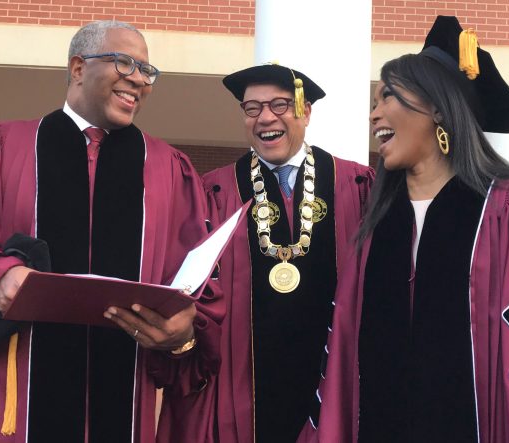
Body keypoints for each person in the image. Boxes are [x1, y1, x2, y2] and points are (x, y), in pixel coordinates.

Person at [304, 16, 509, 443]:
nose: (374, 113)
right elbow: (345, 361)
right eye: (373, 101)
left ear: (439, 108)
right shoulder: (377, 229)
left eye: (387, 95)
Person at [0, 20, 222, 442]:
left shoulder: (170, 169)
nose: (139, 80)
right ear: (78, 68)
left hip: (123, 398)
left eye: (147, 72)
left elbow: (200, 280)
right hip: (15, 398)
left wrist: (185, 330)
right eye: (124, 63)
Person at [154, 63, 374, 443]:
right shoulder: (213, 192)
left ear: (305, 112)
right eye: (252, 108)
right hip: (241, 385)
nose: (265, 118)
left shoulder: (356, 184)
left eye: (280, 105)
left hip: (330, 376)